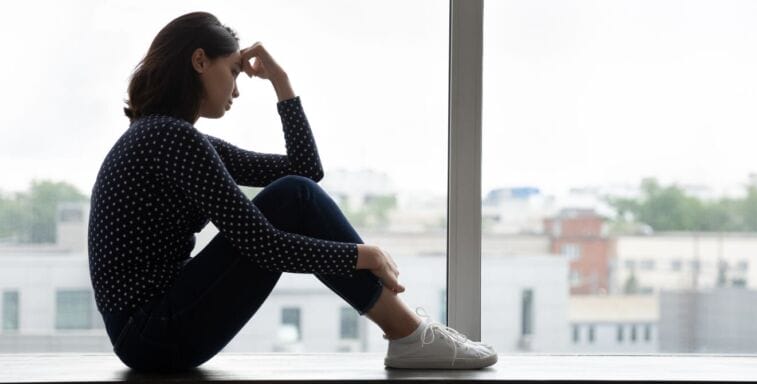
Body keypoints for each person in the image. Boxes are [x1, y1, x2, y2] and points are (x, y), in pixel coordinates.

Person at [87, 11, 497, 373]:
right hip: (152, 332)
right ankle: (410, 335)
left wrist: (281, 83)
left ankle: (409, 335)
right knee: (293, 198)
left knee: (294, 191)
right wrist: (361, 255)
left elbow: (305, 170)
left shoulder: (170, 137)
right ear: (199, 60)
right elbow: (264, 244)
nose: (236, 89)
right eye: (232, 71)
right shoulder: (170, 139)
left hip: (149, 332)